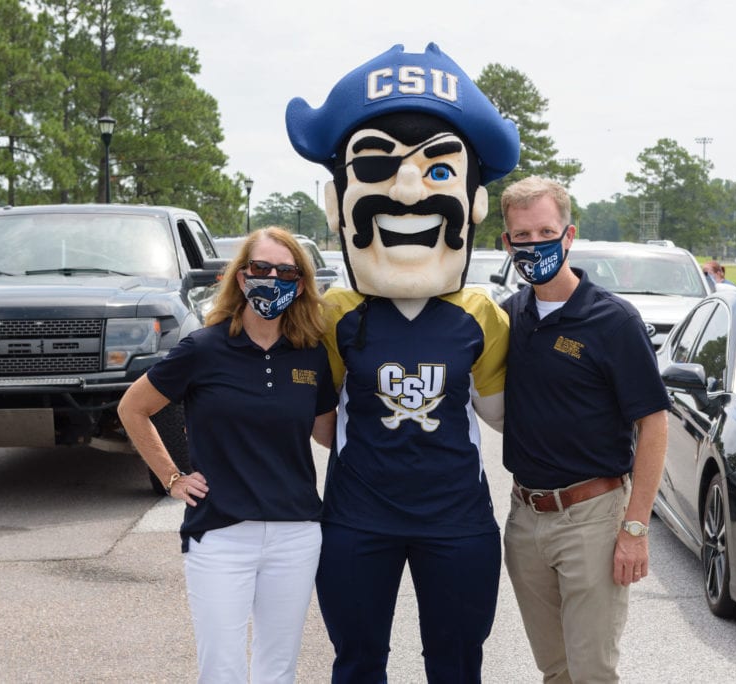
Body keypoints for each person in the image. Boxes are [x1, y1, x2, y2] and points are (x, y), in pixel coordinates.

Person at [285, 42, 519, 683]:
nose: (410, 190)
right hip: (359, 518)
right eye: (377, 166)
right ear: (337, 205)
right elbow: (315, 414)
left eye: (440, 170)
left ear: (474, 205)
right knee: (358, 663)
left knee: (456, 665)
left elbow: (506, 415)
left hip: (457, 519)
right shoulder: (333, 312)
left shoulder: (482, 313)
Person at [117, 228, 338, 684]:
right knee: (222, 670)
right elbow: (133, 408)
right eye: (260, 269)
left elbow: (328, 435)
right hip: (220, 533)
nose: (271, 279)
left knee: (278, 668)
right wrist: (172, 476)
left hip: (295, 533)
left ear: (299, 285)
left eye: (285, 272)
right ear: (240, 278)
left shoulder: (311, 355)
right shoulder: (204, 348)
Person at [499, 176, 670, 684]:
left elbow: (654, 425)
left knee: (592, 671)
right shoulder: (511, 317)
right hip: (525, 520)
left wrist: (635, 529)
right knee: (555, 670)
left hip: (592, 518)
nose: (534, 245)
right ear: (507, 243)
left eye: (545, 231)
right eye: (522, 236)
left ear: (569, 235)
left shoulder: (613, 321)